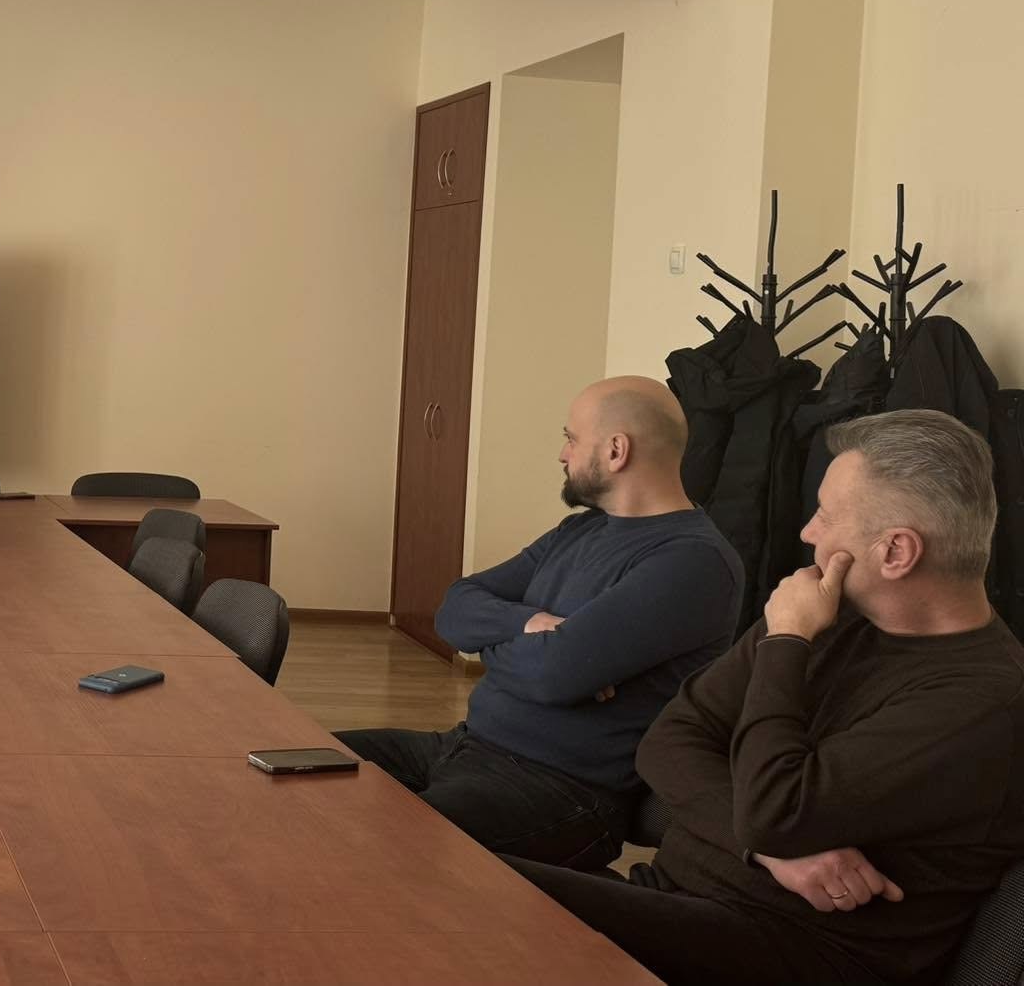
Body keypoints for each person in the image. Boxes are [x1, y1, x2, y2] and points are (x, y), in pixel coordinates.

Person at [507, 409, 1024, 986]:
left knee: (488, 904)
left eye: (825, 514)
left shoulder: (982, 702)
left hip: (793, 950)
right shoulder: (832, 610)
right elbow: (671, 739)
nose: (808, 532)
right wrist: (767, 852)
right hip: (679, 898)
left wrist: (786, 642)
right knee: (464, 885)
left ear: (896, 552)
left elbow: (774, 811)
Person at [336, 376, 743, 870]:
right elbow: (455, 607)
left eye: (571, 438)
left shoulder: (693, 561)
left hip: (560, 791)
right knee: (296, 764)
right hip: (463, 746)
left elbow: (554, 674)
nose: (562, 454)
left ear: (616, 451)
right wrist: (531, 624)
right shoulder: (581, 530)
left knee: (376, 846)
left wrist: (504, 646)